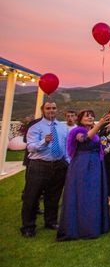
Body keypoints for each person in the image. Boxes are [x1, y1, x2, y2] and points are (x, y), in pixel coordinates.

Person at [57, 110, 110, 240]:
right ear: (80, 119)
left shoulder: (94, 131)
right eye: (87, 116)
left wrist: (105, 149)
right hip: (82, 165)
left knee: (93, 194)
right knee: (83, 193)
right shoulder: (77, 131)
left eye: (92, 115)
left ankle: (94, 225)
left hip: (96, 164)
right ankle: (81, 227)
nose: (91, 117)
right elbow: (85, 139)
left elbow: (96, 144)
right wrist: (100, 125)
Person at [21, 102, 69, 237]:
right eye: (48, 108)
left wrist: (67, 162)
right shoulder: (36, 127)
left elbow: (65, 147)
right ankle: (28, 226)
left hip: (58, 164)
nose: (51, 110)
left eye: (54, 108)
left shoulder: (62, 127)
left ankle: (51, 221)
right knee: (32, 196)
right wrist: (44, 141)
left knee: (54, 195)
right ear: (43, 110)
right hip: (39, 164)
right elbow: (30, 147)